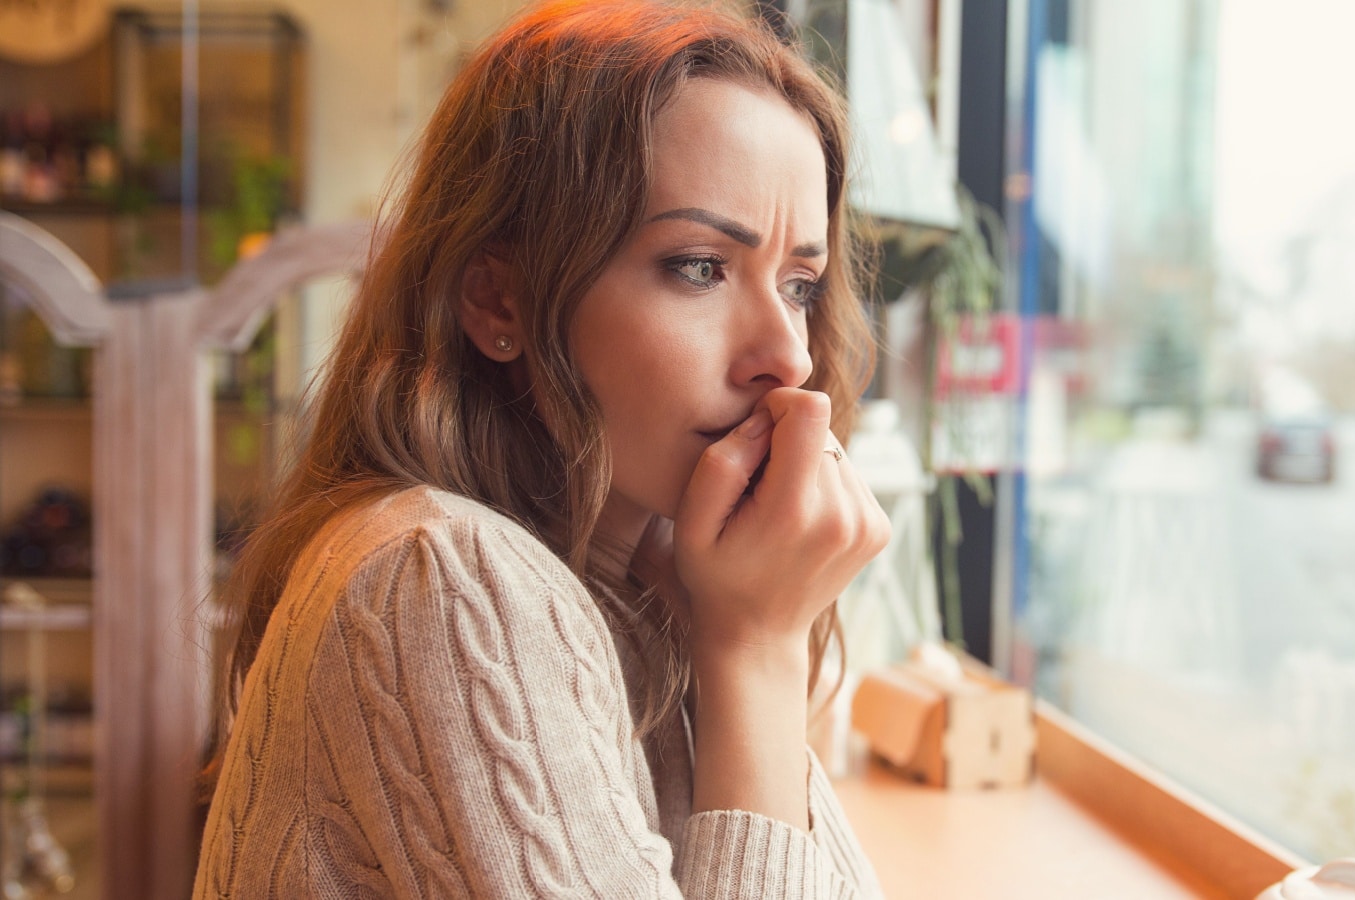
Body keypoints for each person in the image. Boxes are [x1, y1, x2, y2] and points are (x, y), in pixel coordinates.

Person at [193, 1, 891, 896]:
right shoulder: (441, 573)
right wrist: (758, 651)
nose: (788, 355)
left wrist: (738, 634)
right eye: (699, 267)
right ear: (498, 303)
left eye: (800, 283)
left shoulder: (657, 586)